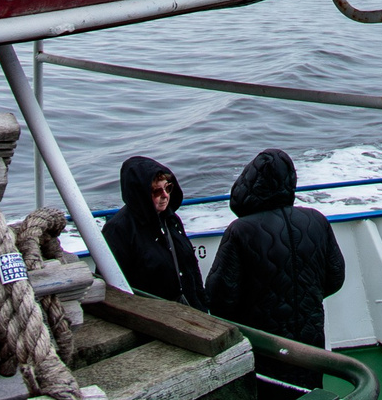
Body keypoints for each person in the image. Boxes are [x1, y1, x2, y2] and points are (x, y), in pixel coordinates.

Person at [203, 148, 345, 347]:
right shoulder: (317, 220)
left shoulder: (240, 230)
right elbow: (335, 277)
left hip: (262, 342)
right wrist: (304, 300)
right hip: (310, 338)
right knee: (307, 367)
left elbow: (219, 297)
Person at [102, 156, 207, 309]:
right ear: (141, 193)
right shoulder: (118, 230)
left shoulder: (170, 219)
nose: (165, 195)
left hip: (190, 310)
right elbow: (113, 288)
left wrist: (203, 304)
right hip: (153, 314)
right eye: (157, 191)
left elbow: (191, 266)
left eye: (168, 188)